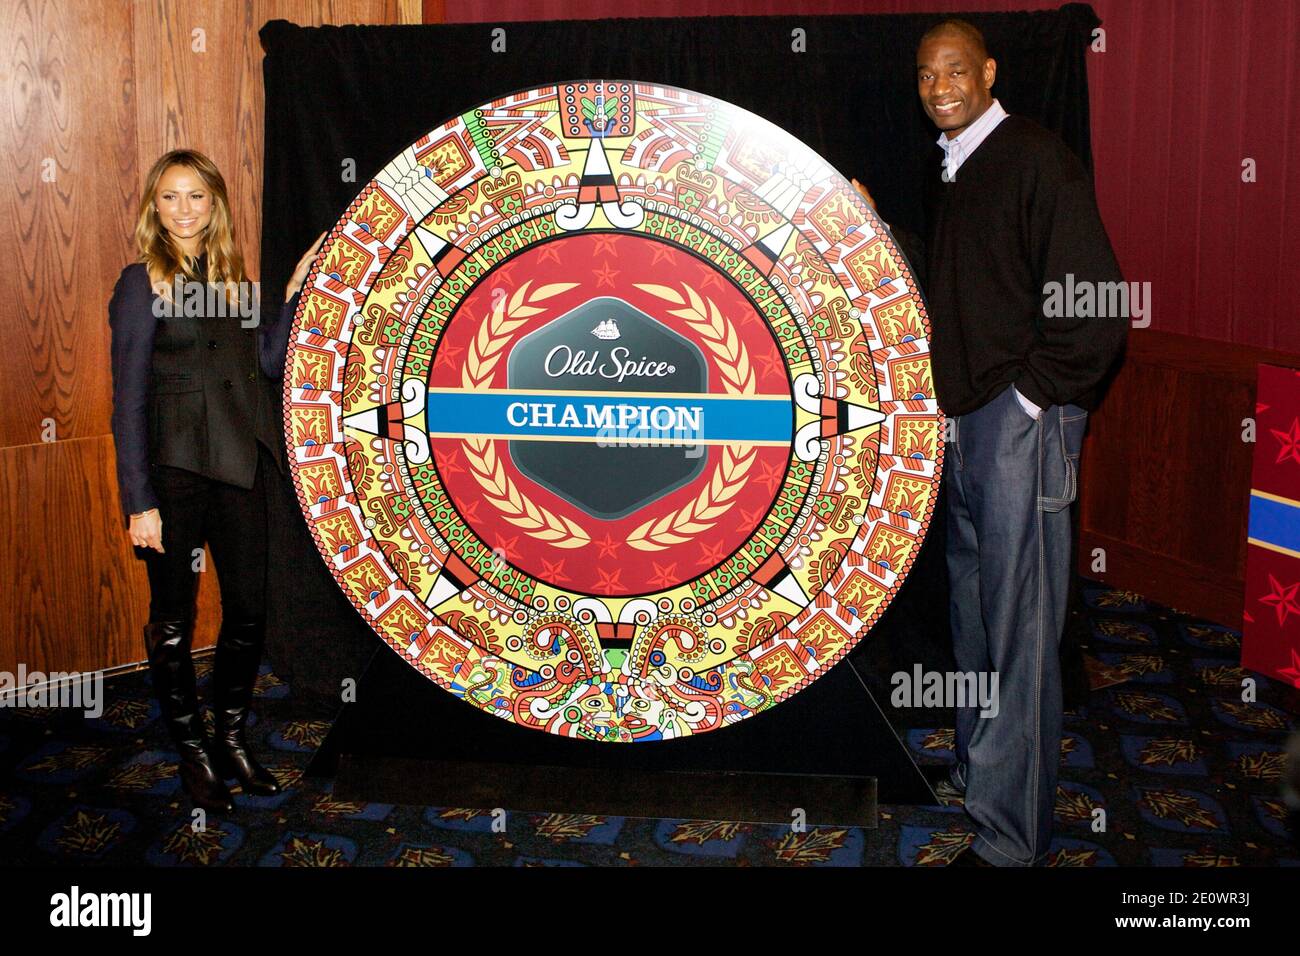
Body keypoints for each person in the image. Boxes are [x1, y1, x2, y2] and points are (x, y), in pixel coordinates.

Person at [906, 19, 1127, 865]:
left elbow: (1100, 306)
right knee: (974, 618)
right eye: (926, 75)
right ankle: (978, 774)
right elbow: (963, 285)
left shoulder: (1034, 156)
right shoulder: (954, 168)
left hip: (1018, 424)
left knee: (1021, 634)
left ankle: (1009, 841)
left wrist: (1032, 400)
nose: (940, 86)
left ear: (989, 71)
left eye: (955, 70)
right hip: (963, 423)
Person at [109, 148, 322, 813]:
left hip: (242, 465)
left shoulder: (234, 280)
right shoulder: (140, 283)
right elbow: (129, 400)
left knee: (248, 611)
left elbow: (265, 362)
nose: (183, 209)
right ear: (154, 207)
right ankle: (193, 752)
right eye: (169, 197)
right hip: (174, 477)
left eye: (196, 196)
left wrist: (290, 297)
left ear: (216, 205)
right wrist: (138, 500)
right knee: (172, 620)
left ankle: (229, 737)